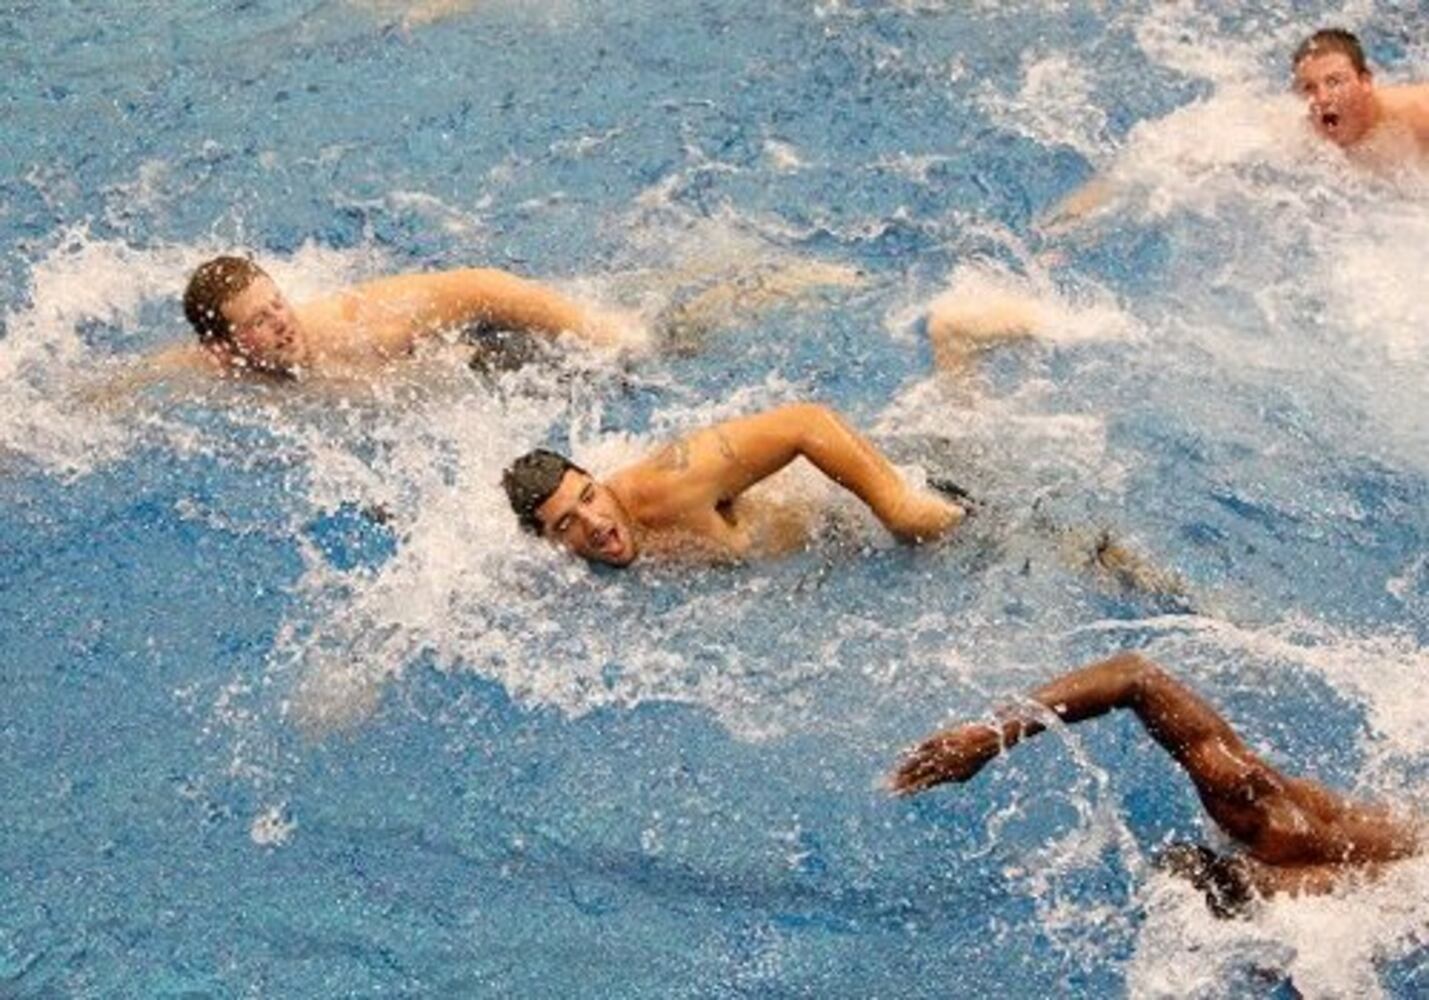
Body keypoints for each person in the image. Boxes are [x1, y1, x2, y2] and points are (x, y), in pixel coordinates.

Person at [890, 652, 1421, 914]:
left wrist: (991, 736)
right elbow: (1136, 676)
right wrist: (987, 736)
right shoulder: (1265, 812)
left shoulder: (1294, 845)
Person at [502, 402, 965, 566]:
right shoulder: (569, 570)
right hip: (827, 554)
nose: (595, 522)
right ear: (548, 543)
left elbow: (805, 423)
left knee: (979, 535)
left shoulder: (667, 485)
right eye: (566, 525)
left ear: (596, 481)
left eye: (589, 497)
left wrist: (899, 508)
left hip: (855, 515)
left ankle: (958, 341)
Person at [157, 255, 641, 380]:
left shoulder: (356, 324)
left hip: (488, 356)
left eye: (276, 305)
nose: (281, 322)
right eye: (257, 322)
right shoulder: (219, 368)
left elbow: (479, 286)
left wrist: (600, 331)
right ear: (224, 346)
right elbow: (143, 377)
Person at [1293, 28, 1429, 165]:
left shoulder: (1415, 115)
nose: (1322, 99)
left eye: (1334, 82)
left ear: (1365, 82)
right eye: (1309, 87)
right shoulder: (1299, 128)